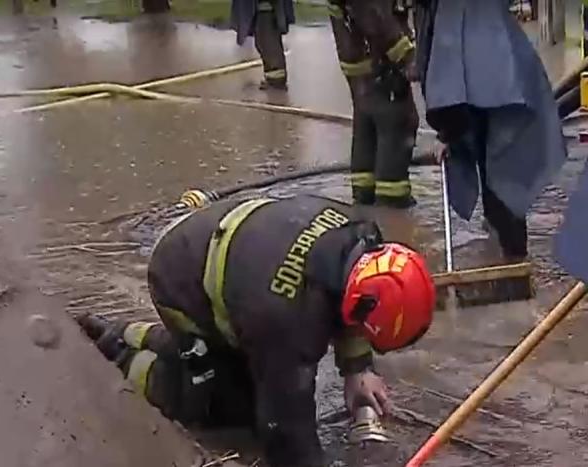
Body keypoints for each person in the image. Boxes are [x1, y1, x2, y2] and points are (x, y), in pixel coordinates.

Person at [78, 195, 436, 467]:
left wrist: (358, 369)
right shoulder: (286, 320)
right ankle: (124, 360)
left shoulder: (362, 236)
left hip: (222, 244)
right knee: (219, 406)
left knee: (241, 369)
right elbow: (284, 429)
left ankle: (129, 332)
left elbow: (354, 304)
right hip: (179, 279)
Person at [414, 0, 567, 261]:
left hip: (500, 109)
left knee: (500, 185)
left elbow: (450, 87)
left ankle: (512, 264)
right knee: (506, 183)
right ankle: (513, 259)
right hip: (514, 91)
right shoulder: (479, 12)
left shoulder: (450, 14)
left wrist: (447, 135)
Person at [328, 0, 419, 208]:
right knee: (398, 124)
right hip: (382, 66)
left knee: (365, 127)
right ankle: (392, 209)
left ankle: (364, 202)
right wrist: (408, 57)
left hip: (362, 68)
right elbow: (375, 16)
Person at [231, 0, 294, 89]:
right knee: (263, 42)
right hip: (263, 9)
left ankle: (276, 80)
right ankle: (273, 77)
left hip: (266, 9)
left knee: (268, 43)